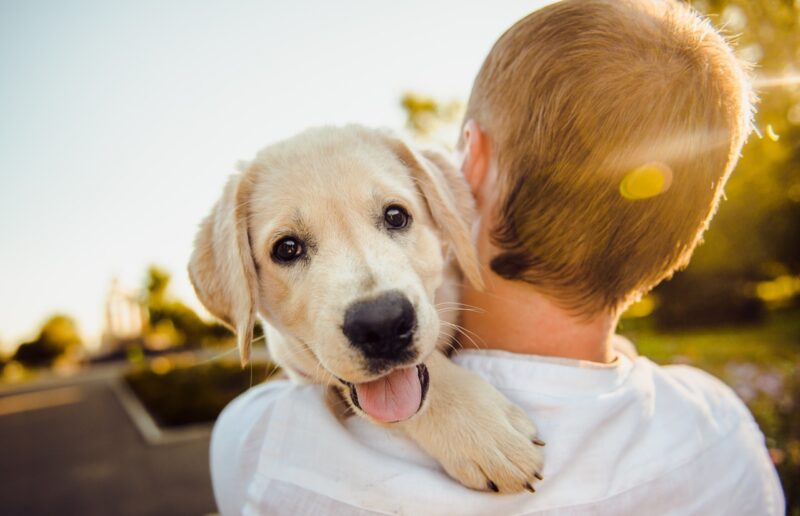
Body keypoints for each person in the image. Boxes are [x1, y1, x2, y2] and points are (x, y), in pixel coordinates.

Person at [210, 0, 785, 514]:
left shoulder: (264, 448)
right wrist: (437, 397)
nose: (374, 297)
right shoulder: (722, 430)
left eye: (394, 217)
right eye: (290, 248)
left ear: (470, 165)